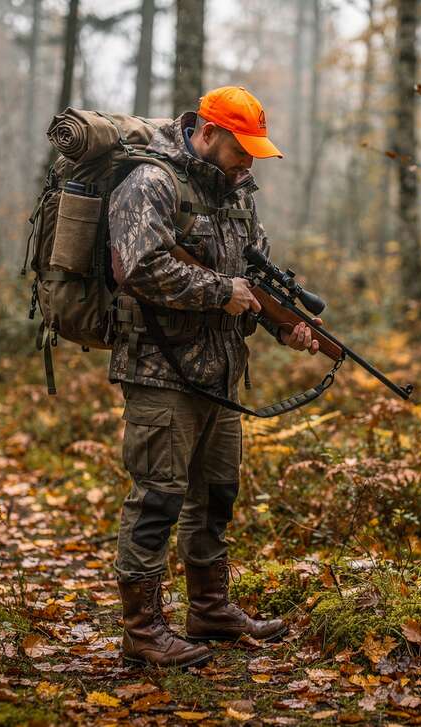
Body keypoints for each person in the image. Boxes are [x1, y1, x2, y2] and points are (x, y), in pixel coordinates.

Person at [107, 86, 320, 668]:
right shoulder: (150, 182)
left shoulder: (236, 194)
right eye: (242, 146)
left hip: (222, 374)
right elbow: (139, 265)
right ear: (208, 132)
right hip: (161, 370)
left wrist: (285, 327)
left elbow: (254, 276)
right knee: (157, 499)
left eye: (256, 148)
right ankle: (143, 631)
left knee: (216, 495)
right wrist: (220, 292)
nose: (250, 159)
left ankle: (209, 608)